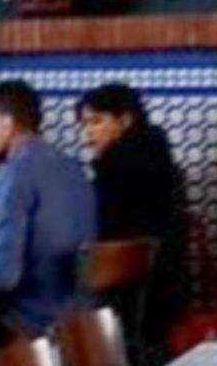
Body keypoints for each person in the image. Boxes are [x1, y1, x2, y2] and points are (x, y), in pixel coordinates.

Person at [0, 80, 97, 338]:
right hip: (85, 319)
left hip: (37, 322)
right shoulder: (71, 166)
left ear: (7, 124)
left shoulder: (14, 173)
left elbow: (3, 278)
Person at [76, 82, 188, 350]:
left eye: (96, 122)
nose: (86, 136)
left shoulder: (114, 170)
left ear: (125, 121)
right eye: (84, 125)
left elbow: (99, 232)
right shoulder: (161, 159)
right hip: (162, 293)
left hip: (124, 300)